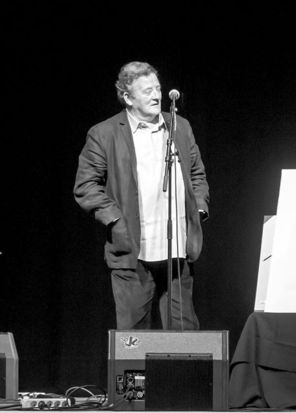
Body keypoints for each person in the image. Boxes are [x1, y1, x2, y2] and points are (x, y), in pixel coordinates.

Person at [74, 61, 210, 330]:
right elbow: (86, 186)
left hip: (177, 253)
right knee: (133, 342)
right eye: (147, 91)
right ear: (127, 97)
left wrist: (199, 208)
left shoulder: (179, 127)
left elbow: (197, 175)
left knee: (184, 337)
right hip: (133, 254)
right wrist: (115, 220)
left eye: (157, 88)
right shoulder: (105, 133)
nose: (156, 95)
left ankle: (180, 374)